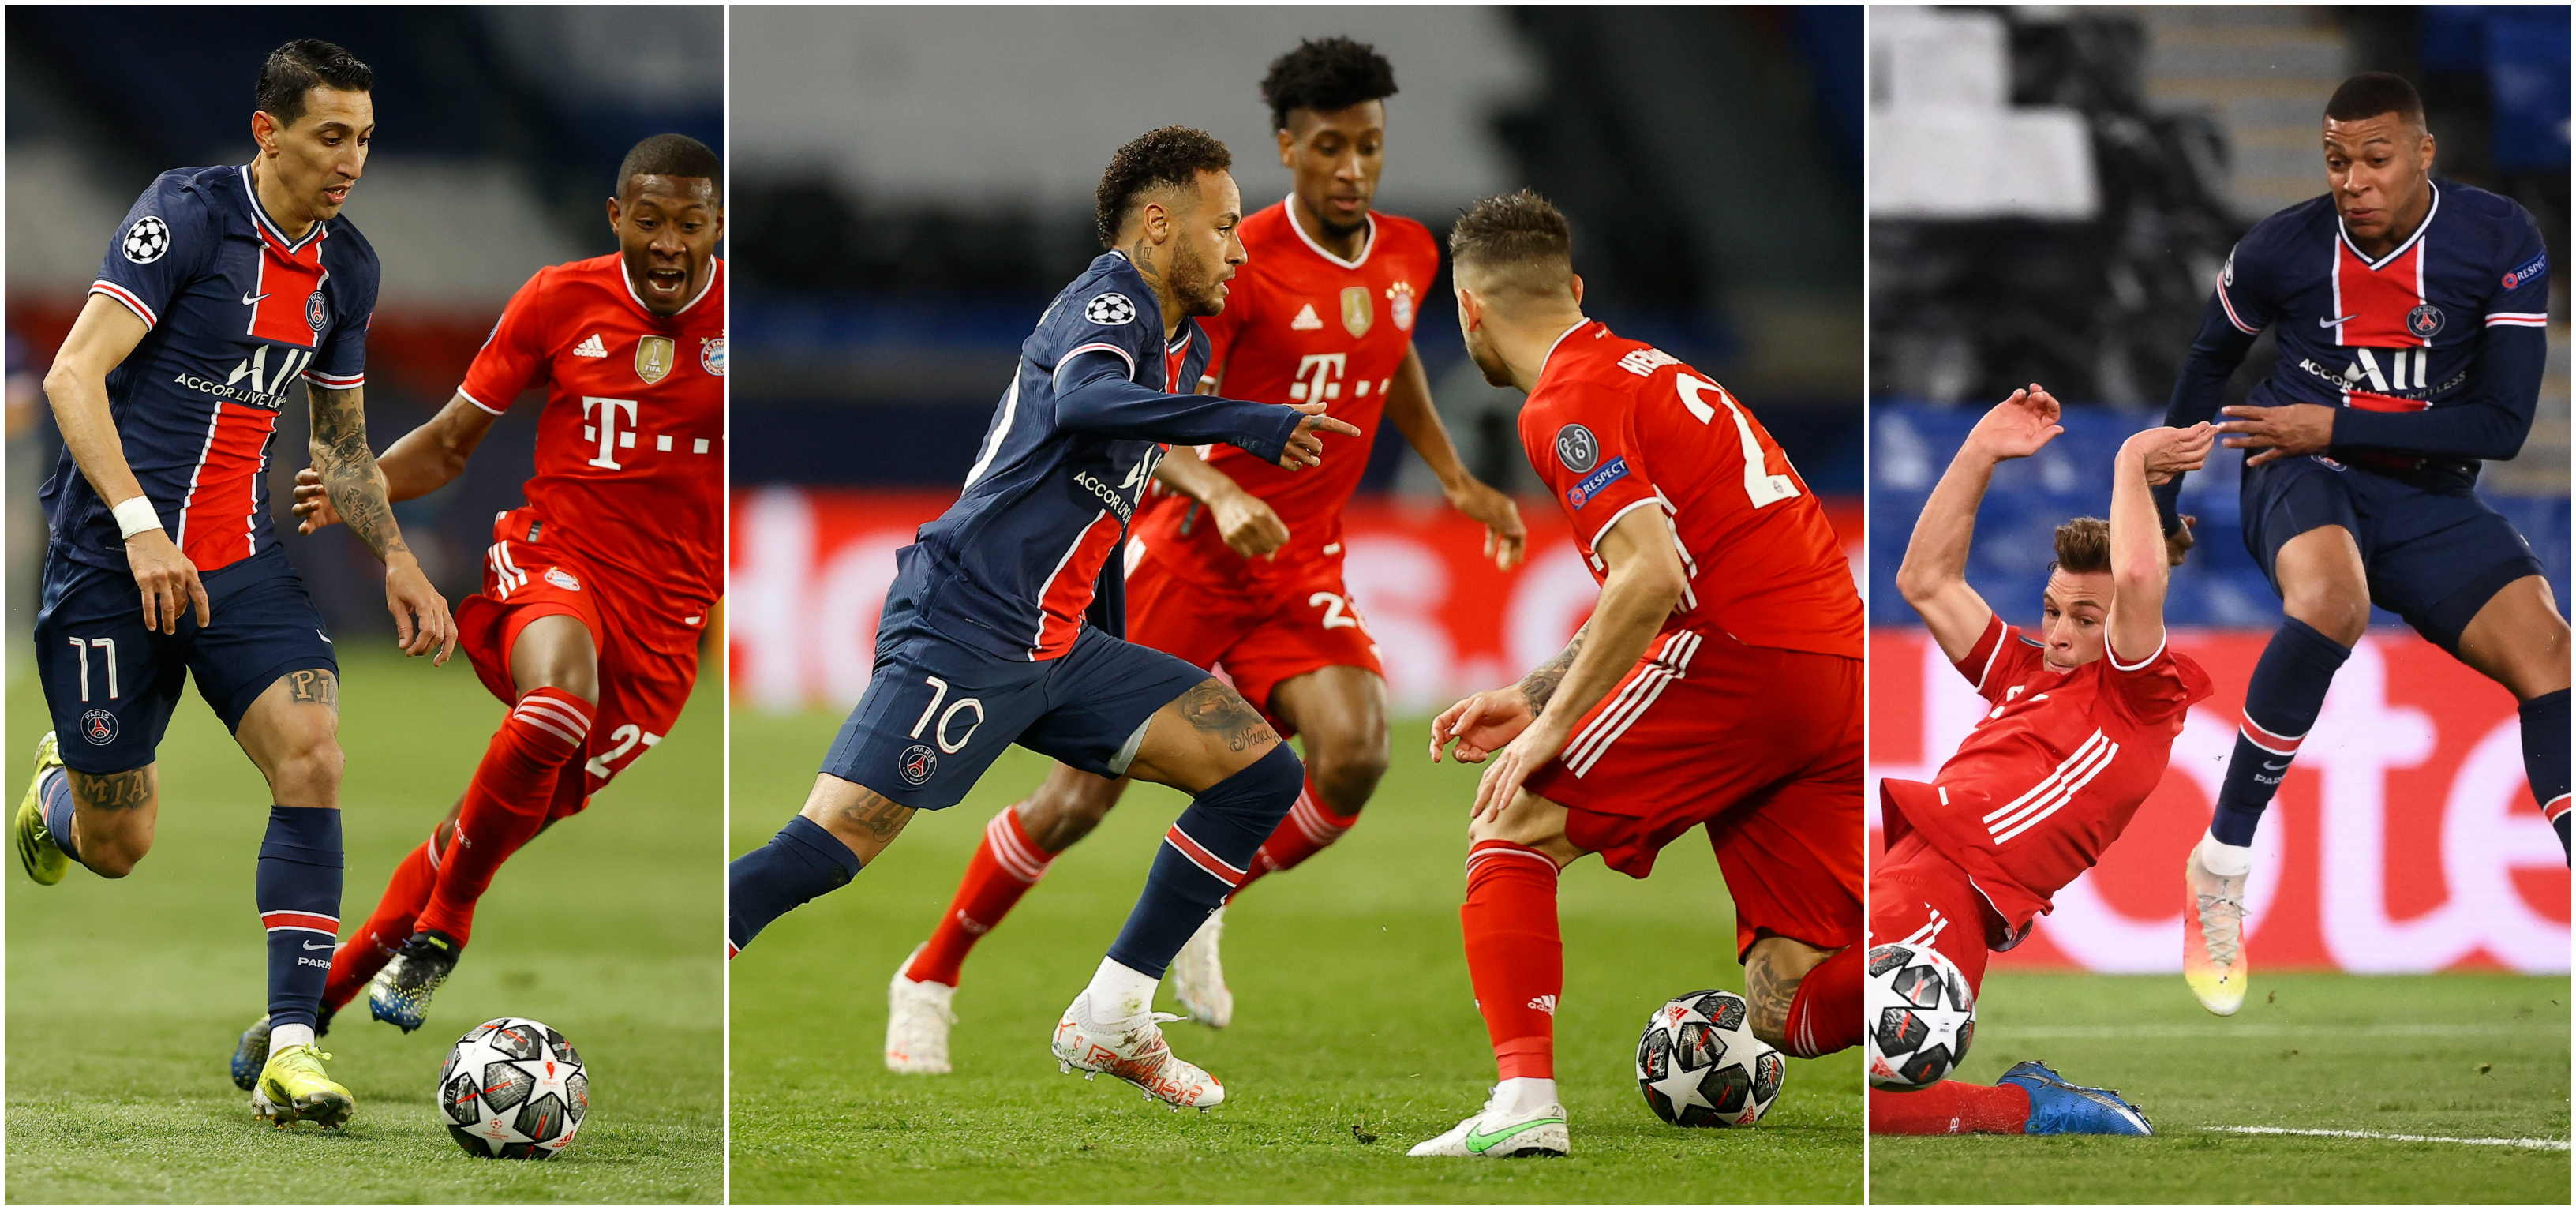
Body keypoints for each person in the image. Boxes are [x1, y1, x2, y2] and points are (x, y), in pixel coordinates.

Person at [883, 36, 1526, 1075]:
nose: (1353, 168)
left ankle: (1197, 902)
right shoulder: (1237, 261)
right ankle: (931, 972)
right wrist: (1220, 485)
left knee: (1356, 750)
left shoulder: (1409, 251)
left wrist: (1454, 477)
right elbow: (1137, 410)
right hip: (1190, 558)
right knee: (1077, 801)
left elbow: (1391, 350)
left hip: (1302, 566)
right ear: (1288, 148)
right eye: (1330, 147)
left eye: (1369, 145)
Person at [725, 126, 1361, 1111]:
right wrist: (1250, 421)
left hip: (1060, 647)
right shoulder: (1109, 301)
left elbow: (1100, 511)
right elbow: (1082, 399)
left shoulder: (1174, 340)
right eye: (1225, 226)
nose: (1240, 248)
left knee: (1259, 770)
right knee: (822, 853)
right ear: (1160, 226)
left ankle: (1113, 1014)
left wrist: (1114, 643)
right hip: (968, 626)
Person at [14, 39, 454, 1130]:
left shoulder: (347, 269)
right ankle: (61, 793)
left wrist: (397, 559)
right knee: (120, 846)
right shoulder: (187, 215)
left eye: (362, 137)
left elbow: (341, 446)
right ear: (271, 134)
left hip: (237, 561)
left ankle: (293, 1047)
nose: (350, 158)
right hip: (111, 560)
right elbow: (74, 373)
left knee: (315, 754)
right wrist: (137, 525)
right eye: (328, 136)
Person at [1413, 191, 1865, 1158]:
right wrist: (1533, 693)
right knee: (1789, 995)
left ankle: (1525, 1104)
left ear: (1469, 311)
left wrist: (1549, 732)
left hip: (1740, 655)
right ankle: (1945, 945)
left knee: (1512, 826)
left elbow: (1652, 580)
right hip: (1835, 664)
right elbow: (1670, 566)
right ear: (1574, 290)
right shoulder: (1649, 369)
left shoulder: (1565, 402)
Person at [254, 134, 725, 1043]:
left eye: (692, 225)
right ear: (618, 218)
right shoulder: (559, 297)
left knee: (479, 828)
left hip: (667, 623)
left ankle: (320, 1001)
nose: (671, 243)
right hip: (557, 560)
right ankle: (447, 930)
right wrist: (366, 483)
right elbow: (451, 441)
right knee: (558, 699)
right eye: (653, 221)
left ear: (716, 229)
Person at [2159, 71, 2570, 1017]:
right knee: (2333, 604)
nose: (2354, 180)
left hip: (2418, 492)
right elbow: (2207, 361)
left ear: (2424, 154)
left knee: (2552, 656)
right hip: (2298, 473)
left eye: (2376, 159)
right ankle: (2222, 865)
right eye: (2337, 160)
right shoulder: (2281, 249)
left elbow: (2503, 425)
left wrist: (2334, 422)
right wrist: (2165, 496)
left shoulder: (2498, 241)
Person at [1870, 385, 2212, 1137]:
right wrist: (1980, 450)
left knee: (1870, 1107)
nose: (2056, 631)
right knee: (1793, 1017)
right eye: (2052, 608)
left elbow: (2139, 579)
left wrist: (2130, 460)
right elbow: (1925, 581)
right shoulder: (2029, 671)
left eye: (2082, 619)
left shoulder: (2139, 695)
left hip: (1954, 889)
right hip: (1898, 866)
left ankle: (2035, 1109)